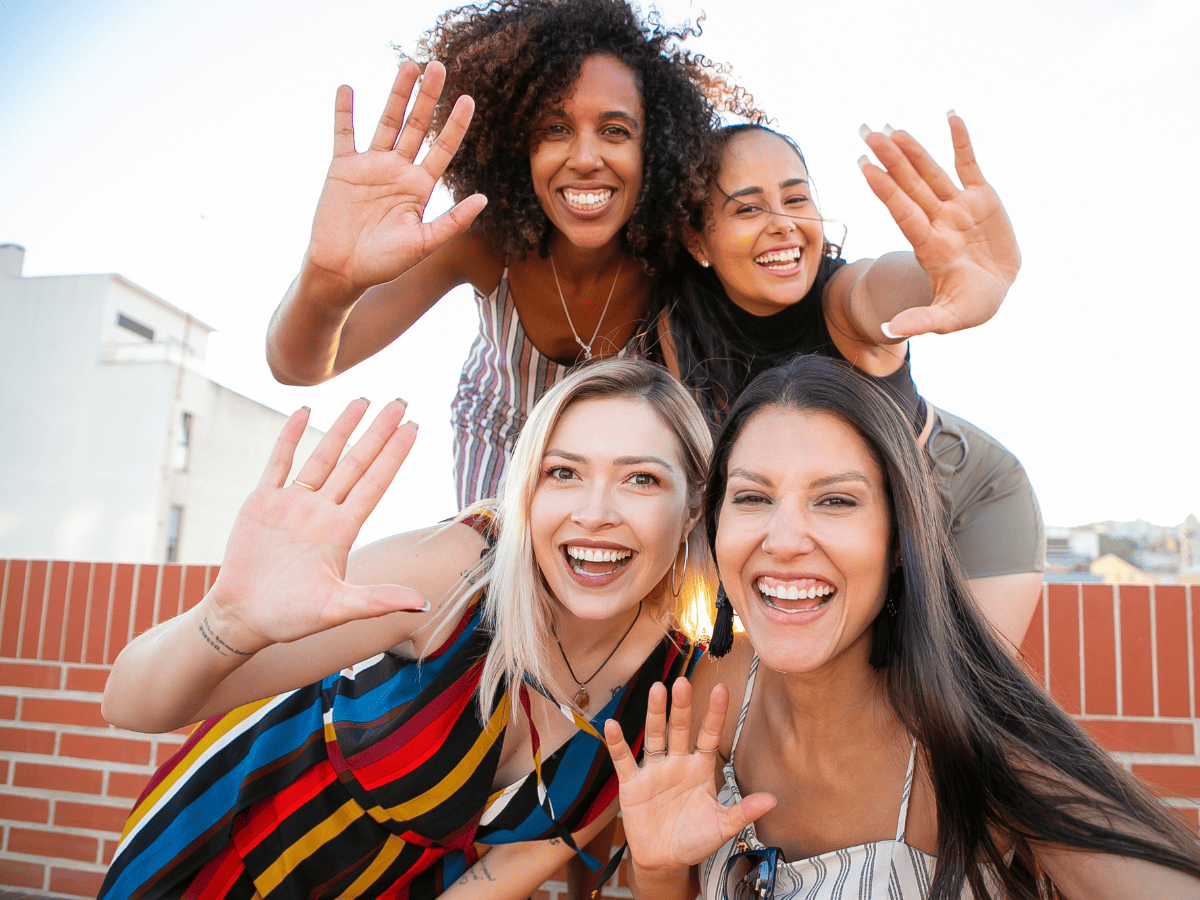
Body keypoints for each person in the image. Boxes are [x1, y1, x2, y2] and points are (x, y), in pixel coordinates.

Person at [97, 358, 714, 900]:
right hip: (218, 860)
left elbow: (514, 866)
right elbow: (130, 704)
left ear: (692, 506)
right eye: (563, 473)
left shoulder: (672, 687)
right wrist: (225, 621)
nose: (595, 512)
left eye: (641, 479)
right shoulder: (461, 571)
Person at [604, 355, 1200, 900]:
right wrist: (656, 870)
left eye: (836, 501)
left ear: (898, 539)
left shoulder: (980, 739)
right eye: (753, 497)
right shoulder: (712, 692)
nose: (782, 541)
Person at [265, 0, 758, 510]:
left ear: (653, 149)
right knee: (495, 579)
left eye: (615, 131)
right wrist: (326, 279)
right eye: (554, 129)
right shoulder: (482, 241)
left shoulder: (675, 255)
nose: (586, 159)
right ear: (516, 147)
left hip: (621, 457)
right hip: (500, 445)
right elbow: (299, 366)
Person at [654, 118, 1043, 644]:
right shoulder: (682, 326)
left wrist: (939, 277)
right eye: (748, 208)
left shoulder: (842, 300)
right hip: (843, 522)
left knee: (954, 708)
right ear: (698, 238)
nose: (783, 223)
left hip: (964, 496)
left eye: (796, 200)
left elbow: (880, 286)